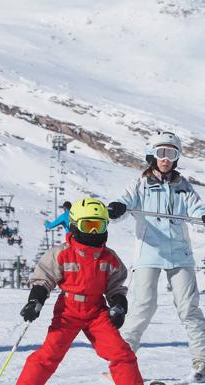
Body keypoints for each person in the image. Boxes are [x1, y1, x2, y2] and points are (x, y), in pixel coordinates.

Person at [108, 131, 205, 382]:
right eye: (161, 153)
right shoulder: (140, 184)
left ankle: (201, 361)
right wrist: (116, 209)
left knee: (189, 308)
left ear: (177, 157)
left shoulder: (183, 187)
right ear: (152, 155)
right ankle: (123, 361)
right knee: (143, 306)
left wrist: (203, 216)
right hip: (149, 252)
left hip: (179, 254)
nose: (165, 159)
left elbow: (197, 209)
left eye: (171, 154)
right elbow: (123, 203)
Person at [16, 198, 143, 385]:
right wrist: (36, 300)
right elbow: (44, 278)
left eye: (98, 226)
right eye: (88, 225)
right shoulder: (62, 253)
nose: (93, 231)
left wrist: (118, 305)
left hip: (96, 312)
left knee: (122, 354)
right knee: (48, 356)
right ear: (75, 226)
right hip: (68, 310)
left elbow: (116, 286)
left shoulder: (109, 258)